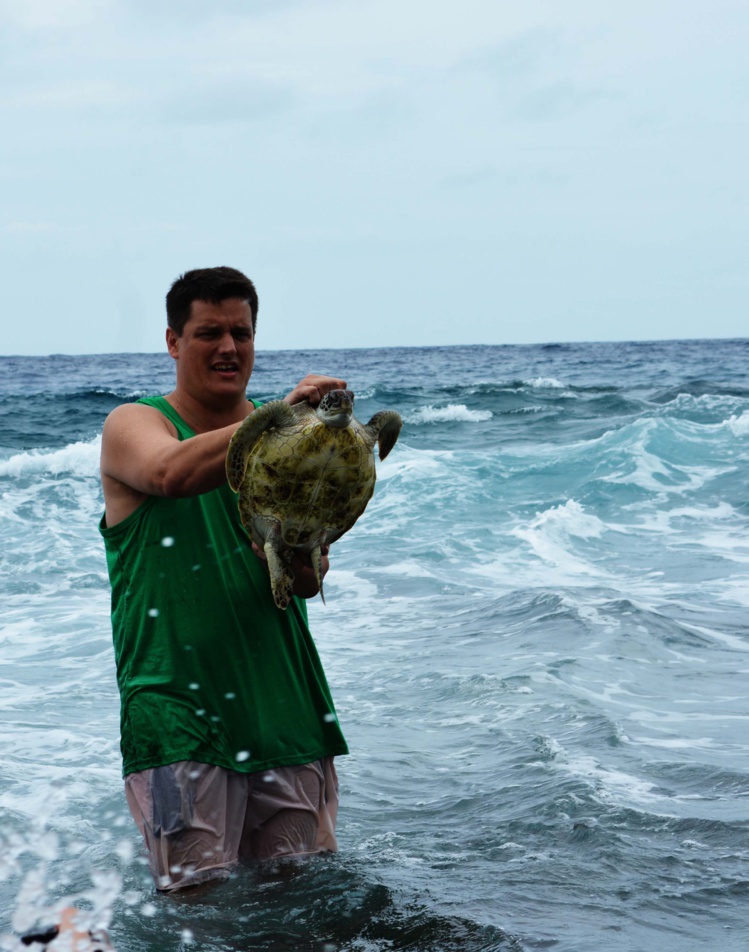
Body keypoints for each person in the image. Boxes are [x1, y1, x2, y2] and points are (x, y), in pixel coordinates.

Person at [99, 266, 349, 892]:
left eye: (241, 332)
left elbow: (306, 577)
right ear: (173, 341)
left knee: (303, 909)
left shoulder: (287, 436)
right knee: (198, 912)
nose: (229, 348)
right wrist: (275, 419)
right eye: (208, 332)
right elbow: (169, 474)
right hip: (175, 716)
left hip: (284, 707)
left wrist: (307, 550)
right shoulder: (134, 424)